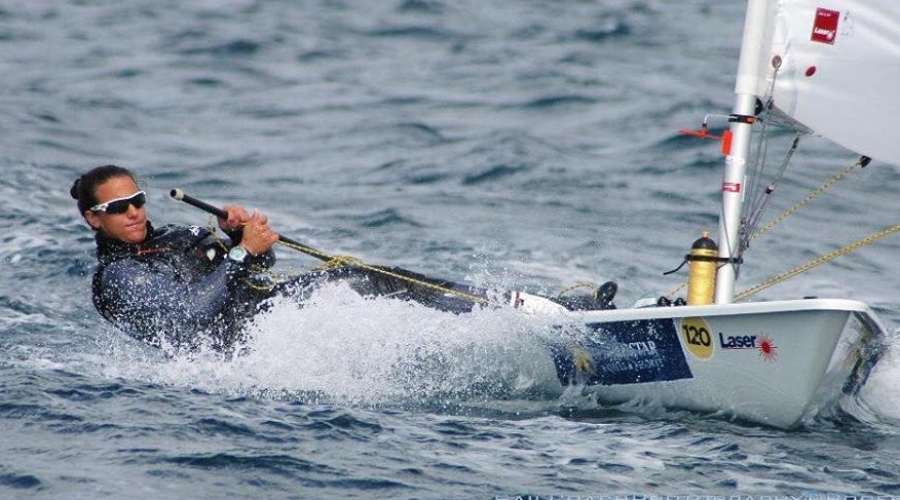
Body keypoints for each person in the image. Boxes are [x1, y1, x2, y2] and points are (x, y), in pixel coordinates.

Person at [73, 165, 617, 353]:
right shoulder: (115, 278)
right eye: (119, 207)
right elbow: (190, 319)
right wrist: (240, 255)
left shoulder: (178, 234)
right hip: (241, 347)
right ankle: (518, 314)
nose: (135, 212)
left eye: (137, 199)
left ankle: (517, 309)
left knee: (366, 275)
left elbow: (252, 274)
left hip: (270, 313)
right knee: (360, 280)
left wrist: (235, 239)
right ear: (93, 219)